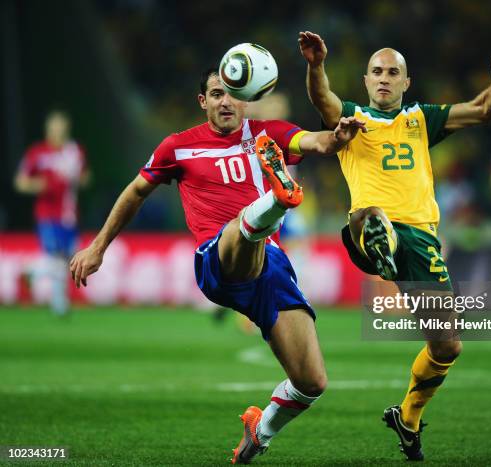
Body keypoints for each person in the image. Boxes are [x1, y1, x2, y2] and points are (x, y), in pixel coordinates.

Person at [69, 68, 365, 464]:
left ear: (245, 98)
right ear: (202, 101)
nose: (225, 101)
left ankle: (259, 432)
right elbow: (136, 191)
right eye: (215, 94)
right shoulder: (178, 147)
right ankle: (277, 201)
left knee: (311, 382)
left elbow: (318, 141)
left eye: (232, 94)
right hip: (216, 258)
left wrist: (339, 136)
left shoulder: (267, 132)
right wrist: (98, 247)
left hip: (270, 268)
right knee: (239, 230)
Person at [299, 31, 491, 460]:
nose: (384, 78)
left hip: (422, 240)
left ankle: (409, 416)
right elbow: (322, 99)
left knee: (447, 345)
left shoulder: (422, 119)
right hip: (368, 226)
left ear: (406, 82)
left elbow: (483, 111)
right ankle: (383, 241)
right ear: (365, 80)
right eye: (377, 72)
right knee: (372, 218)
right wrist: (315, 64)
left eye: (392, 73)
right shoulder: (350, 118)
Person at [14, 110, 89, 315]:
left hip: (69, 215)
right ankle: (29, 270)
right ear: (48, 128)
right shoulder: (38, 153)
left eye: (62, 126)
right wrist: (38, 185)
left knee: (66, 260)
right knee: (55, 259)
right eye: (55, 126)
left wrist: (77, 179)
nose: (58, 130)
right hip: (47, 214)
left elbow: (85, 177)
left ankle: (59, 304)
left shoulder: (74, 151)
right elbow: (21, 182)